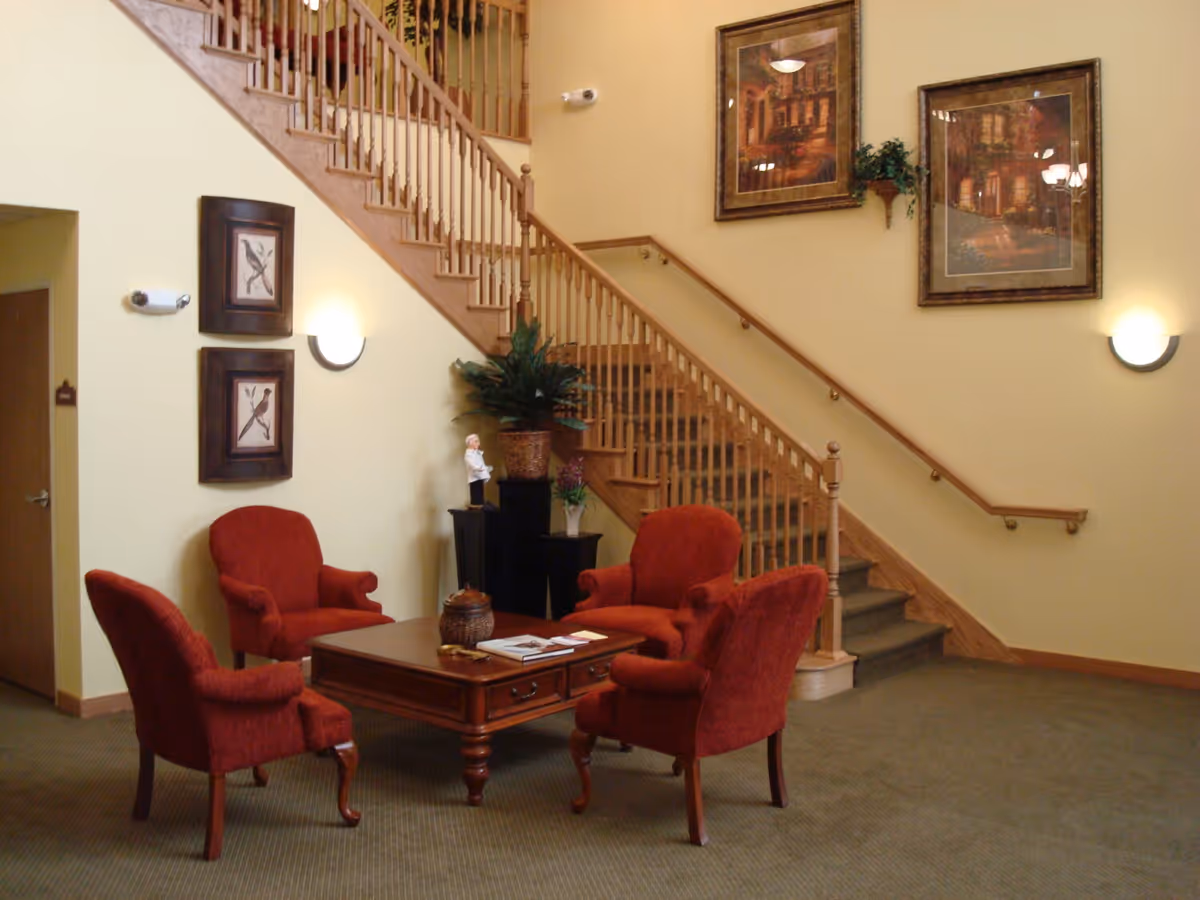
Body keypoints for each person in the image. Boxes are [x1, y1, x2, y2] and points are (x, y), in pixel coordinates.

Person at [464, 434, 493, 506]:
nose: (478, 443)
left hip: (480, 476)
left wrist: (486, 468)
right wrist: (478, 468)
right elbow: (472, 464)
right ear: (470, 443)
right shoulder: (469, 455)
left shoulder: (477, 453)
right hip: (474, 477)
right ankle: (476, 504)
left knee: (480, 490)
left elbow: (481, 463)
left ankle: (480, 503)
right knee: (475, 491)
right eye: (476, 441)